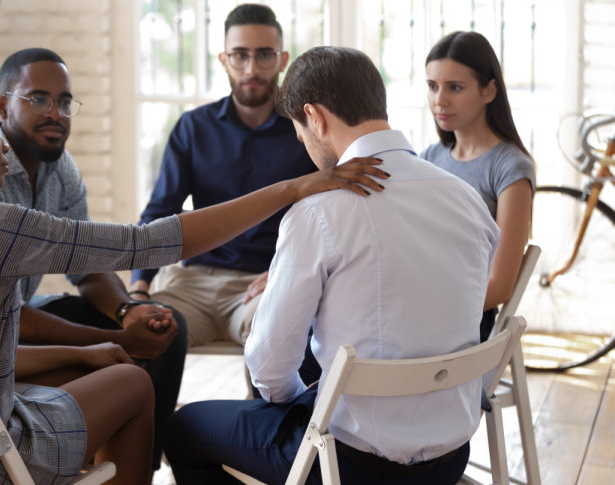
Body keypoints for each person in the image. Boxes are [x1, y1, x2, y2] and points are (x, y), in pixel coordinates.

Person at [0, 47, 385, 484]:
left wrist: (91, 349)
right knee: (135, 385)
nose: (1, 140)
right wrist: (294, 188)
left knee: (102, 365)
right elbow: (147, 242)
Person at [163, 46, 500, 485]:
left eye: (299, 130)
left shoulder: (319, 212)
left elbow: (268, 369)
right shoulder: (466, 199)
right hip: (451, 456)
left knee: (182, 429)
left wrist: (299, 402)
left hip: (348, 465)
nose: (302, 142)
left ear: (315, 117)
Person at [0, 47, 186, 471]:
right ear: (2, 105)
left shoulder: (60, 168)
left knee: (166, 327)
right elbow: (7, 314)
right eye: (39, 99)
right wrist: (120, 341)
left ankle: (132, 466)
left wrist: (128, 313)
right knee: (125, 355)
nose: (56, 112)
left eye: (64, 102)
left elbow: (86, 267)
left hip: (23, 316)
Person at [129, 3, 318, 347]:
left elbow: (329, 215)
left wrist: (292, 272)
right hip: (192, 284)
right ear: (223, 60)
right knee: (144, 335)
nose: (251, 68)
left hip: (266, 281)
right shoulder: (193, 127)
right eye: (240, 55)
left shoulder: (305, 132)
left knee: (276, 333)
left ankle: (265, 405)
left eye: (264, 55)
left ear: (282, 59)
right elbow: (160, 209)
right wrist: (139, 287)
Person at [421, 31, 535, 341]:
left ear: (489, 91)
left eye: (454, 88)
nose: (439, 100)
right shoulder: (429, 157)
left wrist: (425, 308)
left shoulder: (510, 167)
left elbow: (499, 284)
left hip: (464, 320)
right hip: (416, 303)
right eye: (433, 86)